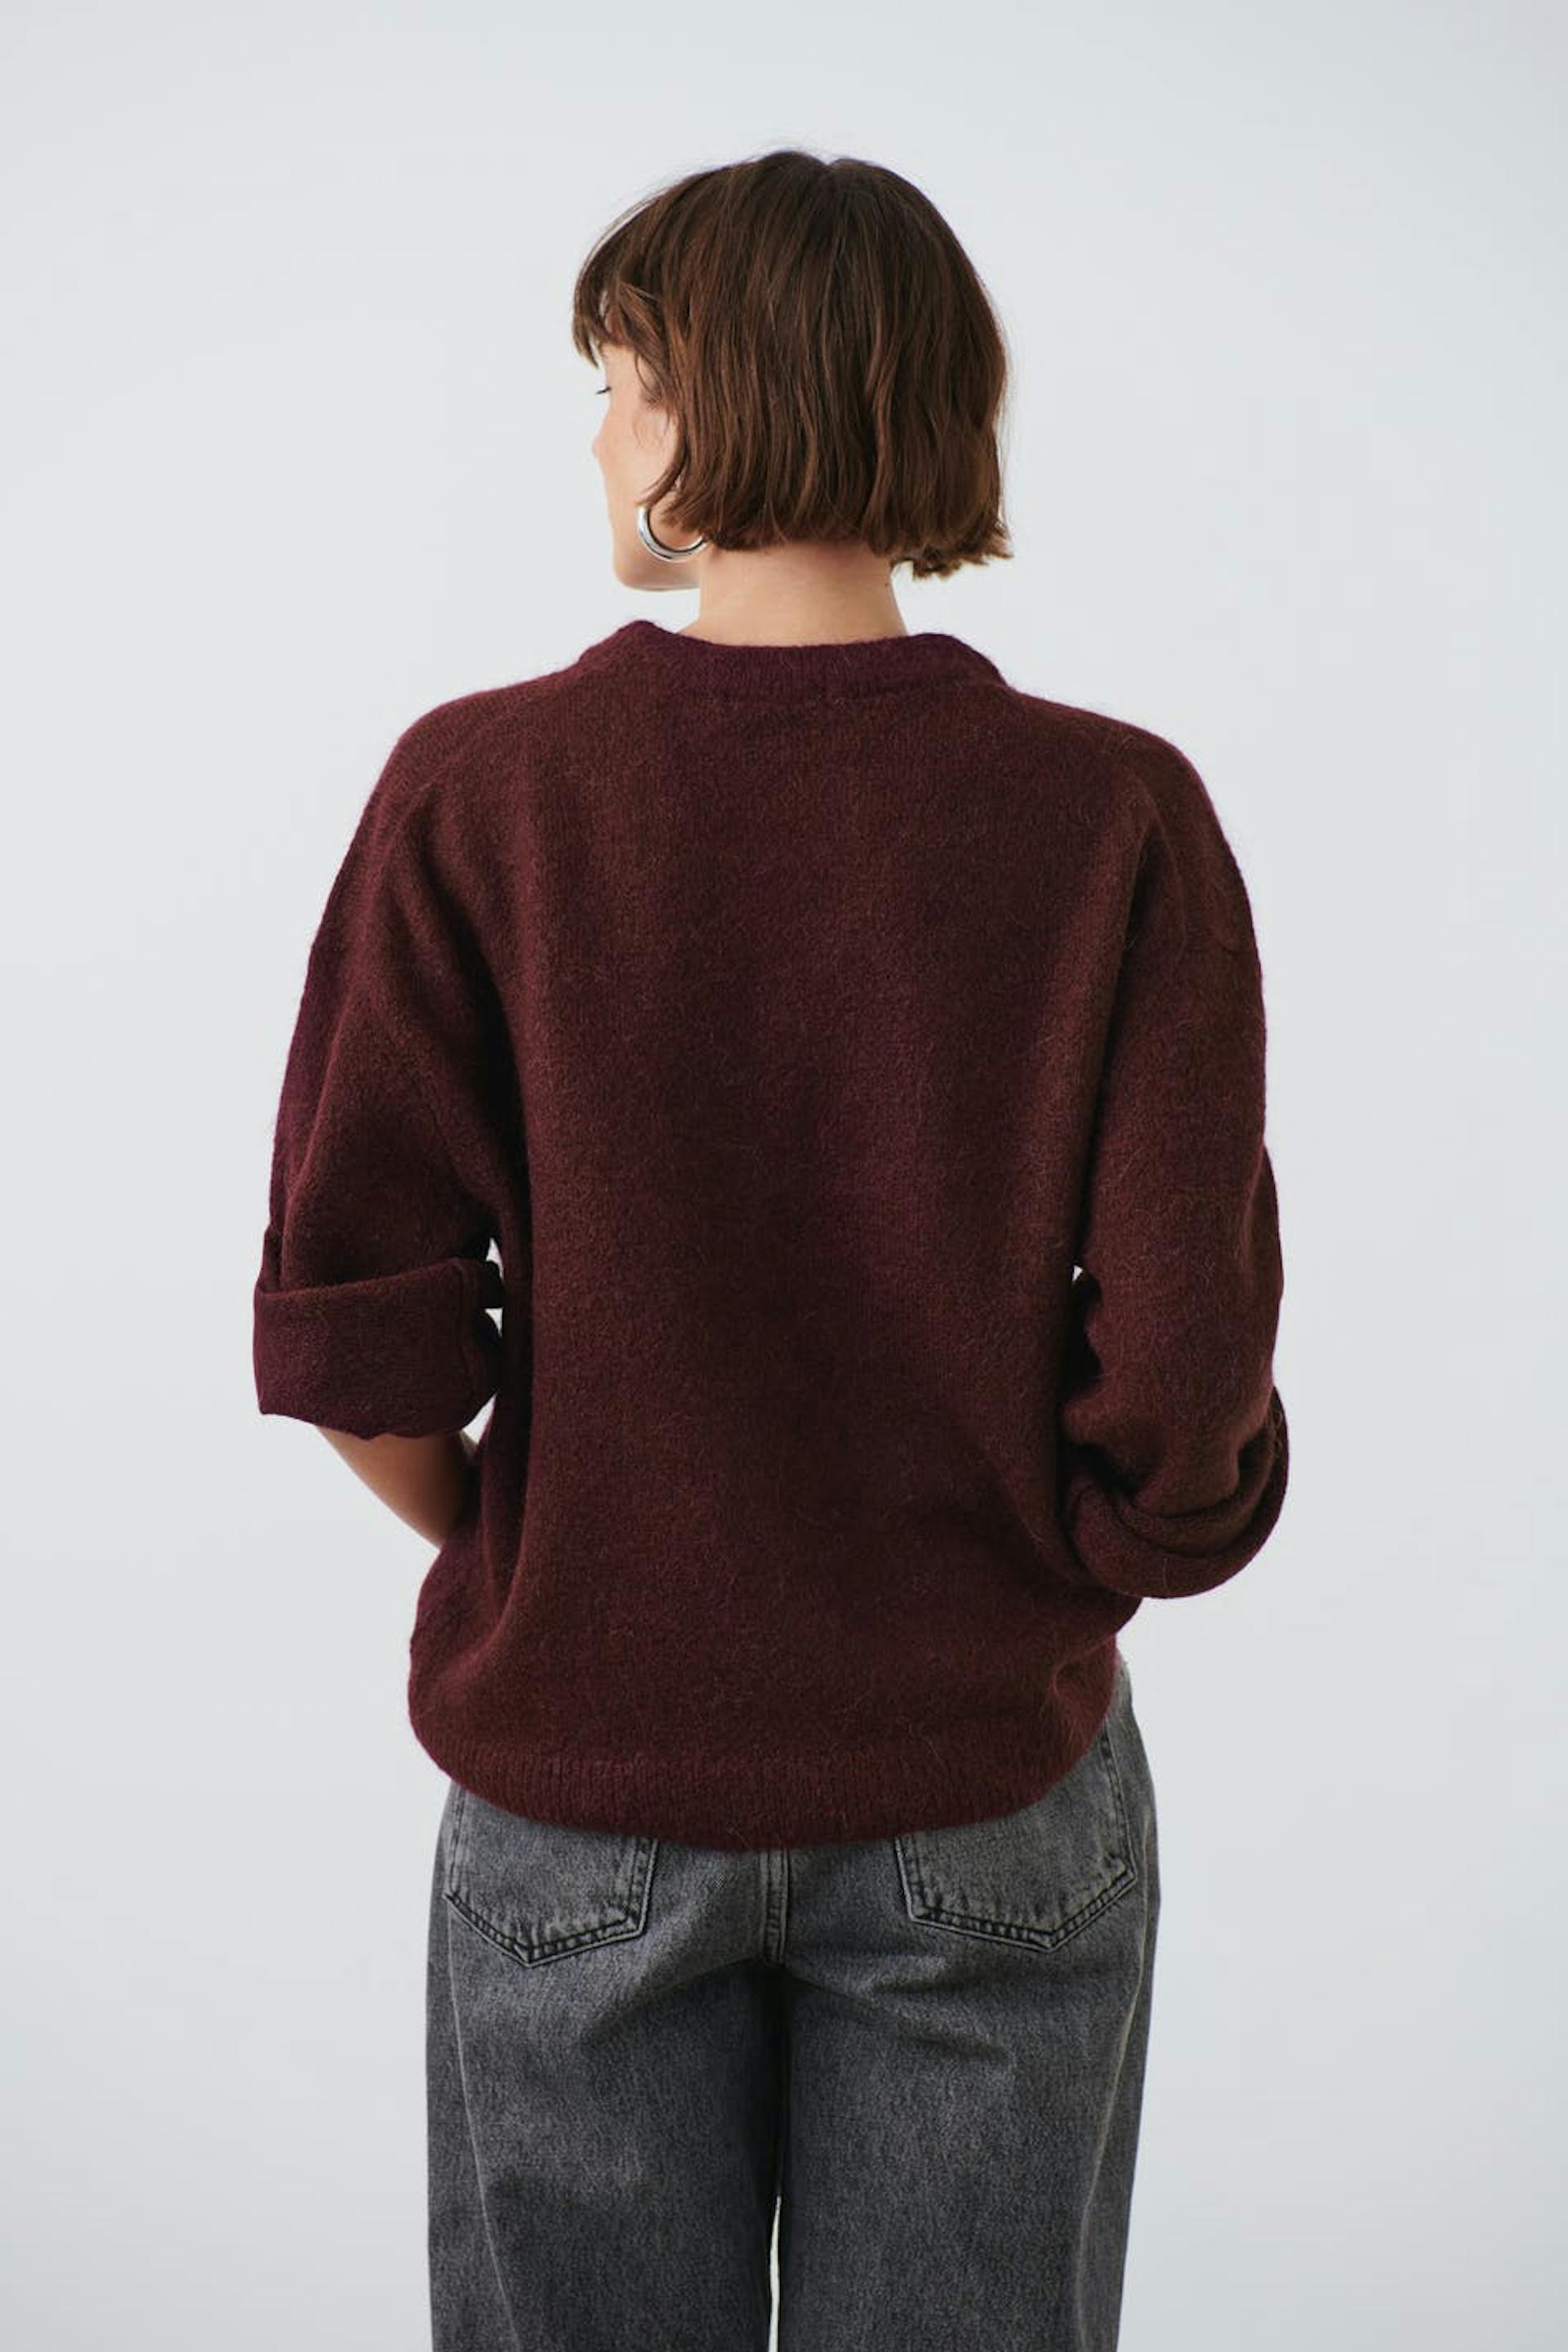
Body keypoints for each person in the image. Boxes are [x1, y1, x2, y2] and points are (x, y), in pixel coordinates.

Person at [252, 147, 1288, 2352]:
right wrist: (1089, 1554)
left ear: (709, 408)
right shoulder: (1114, 814)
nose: (595, 439)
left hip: (585, 1780)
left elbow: (360, 1334)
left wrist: (548, 1550)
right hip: (984, 1778)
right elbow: (1187, 1360)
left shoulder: (483, 792)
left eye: (615, 383)